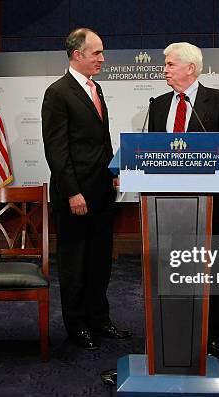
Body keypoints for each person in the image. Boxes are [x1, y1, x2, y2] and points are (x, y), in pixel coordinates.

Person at [148, 42, 219, 357]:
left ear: (190, 68)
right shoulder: (158, 104)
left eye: (170, 64)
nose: (165, 70)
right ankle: (175, 326)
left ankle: (216, 333)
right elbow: (152, 153)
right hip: (168, 205)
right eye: (166, 65)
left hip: (210, 203)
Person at [41, 28, 131, 350]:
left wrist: (113, 172)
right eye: (97, 53)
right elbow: (57, 150)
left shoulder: (98, 90)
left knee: (100, 261)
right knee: (75, 263)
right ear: (77, 54)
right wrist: (72, 192)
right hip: (75, 195)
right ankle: (76, 325)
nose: (103, 59)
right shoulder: (58, 92)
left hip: (102, 192)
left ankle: (99, 319)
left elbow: (101, 140)